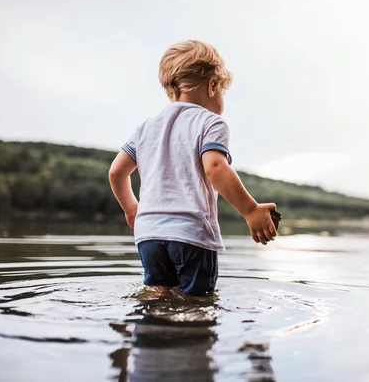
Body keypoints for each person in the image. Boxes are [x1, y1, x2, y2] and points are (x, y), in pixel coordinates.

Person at [108, 40, 277, 296]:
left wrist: (132, 209)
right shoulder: (211, 123)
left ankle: (153, 331)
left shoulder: (146, 128)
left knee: (158, 296)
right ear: (212, 86)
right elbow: (216, 167)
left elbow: (117, 172)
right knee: (199, 305)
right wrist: (251, 210)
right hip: (191, 233)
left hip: (148, 234)